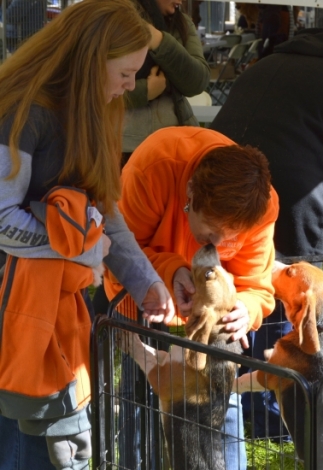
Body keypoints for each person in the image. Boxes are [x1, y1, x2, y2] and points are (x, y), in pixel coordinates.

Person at [0, 1, 175, 469]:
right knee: (26, 440)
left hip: (44, 312)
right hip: (12, 312)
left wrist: (146, 282)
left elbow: (102, 209)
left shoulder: (89, 110)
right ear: (91, 59)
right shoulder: (24, 109)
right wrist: (83, 253)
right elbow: (1, 219)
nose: (131, 85)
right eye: (125, 72)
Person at [211, 27, 323, 439]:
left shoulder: (261, 65)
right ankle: (273, 415)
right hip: (297, 208)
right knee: (287, 300)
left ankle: (228, 391)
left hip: (226, 193)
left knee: (239, 285)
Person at [104, 125, 280, 470]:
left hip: (212, 319)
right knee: (137, 401)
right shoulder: (154, 166)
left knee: (221, 400)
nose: (218, 244)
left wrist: (246, 308)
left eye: (232, 236)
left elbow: (256, 284)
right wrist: (170, 271)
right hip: (141, 299)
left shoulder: (261, 206)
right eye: (211, 231)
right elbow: (117, 253)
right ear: (189, 195)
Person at [121, 0, 210, 162]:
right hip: (122, 145)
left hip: (177, 142)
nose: (180, 1)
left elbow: (198, 81)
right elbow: (93, 87)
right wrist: (146, 90)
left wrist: (159, 40)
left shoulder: (181, 23)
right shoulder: (113, 18)